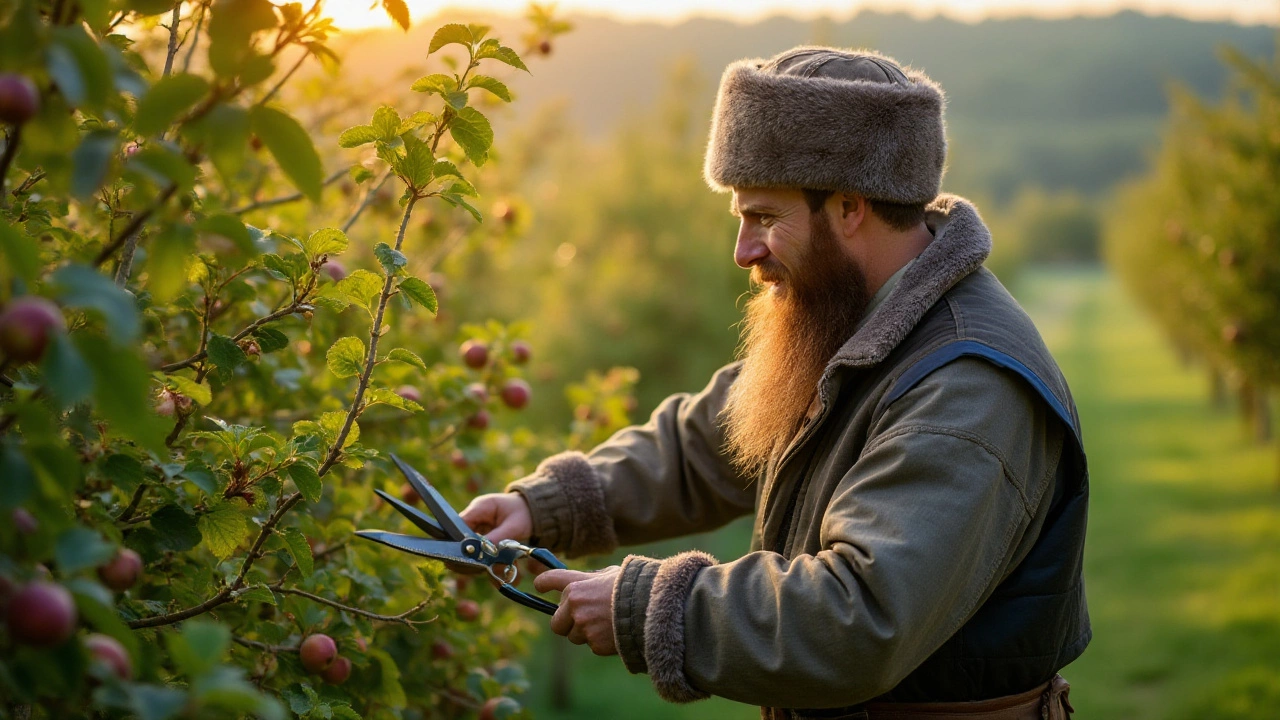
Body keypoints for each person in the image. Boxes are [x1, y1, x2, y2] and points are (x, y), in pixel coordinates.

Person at [460, 46, 1087, 719]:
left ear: (850, 207)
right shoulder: (855, 320)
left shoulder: (966, 387)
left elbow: (859, 618)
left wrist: (648, 606)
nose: (743, 251)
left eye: (764, 217)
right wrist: (550, 505)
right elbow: (711, 441)